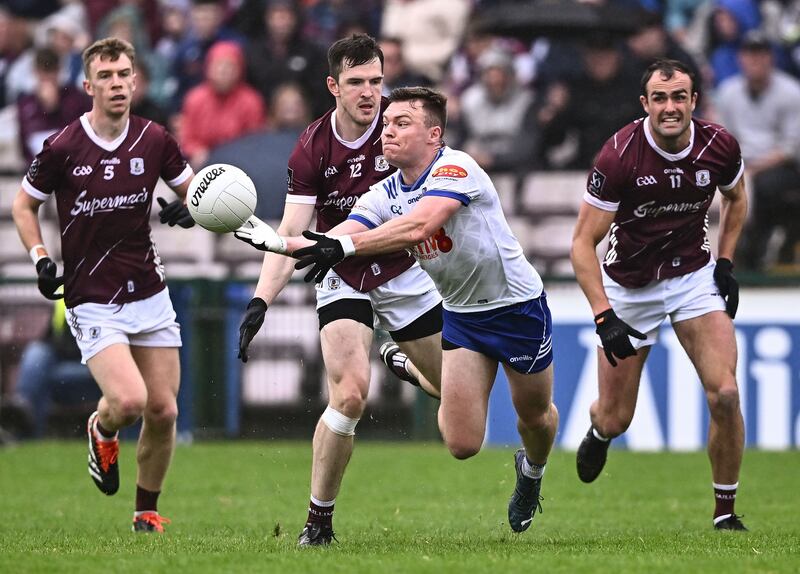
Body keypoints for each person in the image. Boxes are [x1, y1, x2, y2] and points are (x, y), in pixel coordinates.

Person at [239, 86, 560, 536]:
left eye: (401, 123)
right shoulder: (384, 192)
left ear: (434, 134)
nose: (387, 131)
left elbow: (418, 226)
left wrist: (342, 245)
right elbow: (340, 230)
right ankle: (407, 362)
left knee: (535, 416)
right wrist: (278, 243)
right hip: (463, 317)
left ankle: (532, 473)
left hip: (516, 308)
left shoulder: (456, 167)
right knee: (463, 443)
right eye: (386, 124)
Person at [234, 35, 444, 547]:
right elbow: (293, 229)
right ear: (333, 86)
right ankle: (318, 521)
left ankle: (401, 362)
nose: (371, 92)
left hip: (401, 266)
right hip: (340, 271)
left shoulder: (399, 129)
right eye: (356, 83)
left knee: (454, 397)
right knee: (349, 394)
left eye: (376, 80)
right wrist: (262, 300)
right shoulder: (311, 148)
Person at [11, 37, 196, 533]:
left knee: (163, 409)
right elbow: (23, 205)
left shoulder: (155, 138)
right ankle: (102, 426)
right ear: (88, 85)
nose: (116, 84)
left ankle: (145, 512)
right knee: (130, 402)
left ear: (135, 80)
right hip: (92, 296)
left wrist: (191, 206)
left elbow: (199, 190)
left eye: (123, 75)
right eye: (106, 76)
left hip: (150, 292)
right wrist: (41, 257)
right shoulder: (63, 145)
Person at [569, 59, 749, 530]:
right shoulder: (619, 155)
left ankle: (725, 512)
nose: (670, 108)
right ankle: (598, 430)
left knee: (726, 394)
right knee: (615, 419)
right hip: (630, 287)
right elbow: (581, 244)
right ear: (645, 104)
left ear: (694, 101)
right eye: (660, 99)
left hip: (692, 278)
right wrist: (604, 316)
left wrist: (725, 262)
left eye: (679, 97)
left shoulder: (719, 145)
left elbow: (737, 197)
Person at [716, 30, 800, 270]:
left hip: (779, 166)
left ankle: (757, 252)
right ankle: (732, 253)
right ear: (740, 58)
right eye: (750, 54)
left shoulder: (790, 91)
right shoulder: (728, 91)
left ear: (770, 58)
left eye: (761, 54)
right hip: (738, 163)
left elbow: (790, 148)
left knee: (767, 187)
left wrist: (751, 170)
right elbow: (723, 137)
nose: (755, 60)